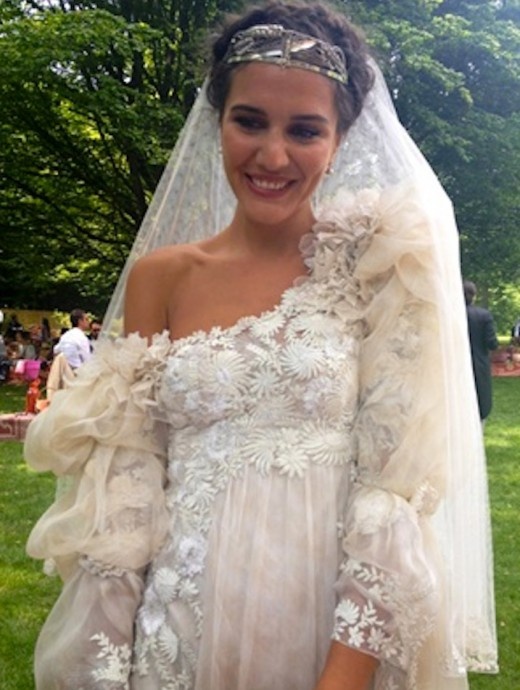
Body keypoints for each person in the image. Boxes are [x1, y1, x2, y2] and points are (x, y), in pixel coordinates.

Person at [24, 3, 497, 689]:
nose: (273, 156)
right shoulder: (163, 278)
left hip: (325, 637)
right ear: (217, 120)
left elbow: (394, 494)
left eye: (304, 129)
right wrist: (104, 667)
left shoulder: (380, 269)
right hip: (178, 637)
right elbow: (127, 493)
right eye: (249, 121)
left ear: (338, 140)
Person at [463, 280, 499, 422]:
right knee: (480, 402)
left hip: (455, 365)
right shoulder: (483, 316)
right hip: (479, 363)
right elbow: (492, 343)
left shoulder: (450, 315)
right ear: (474, 296)